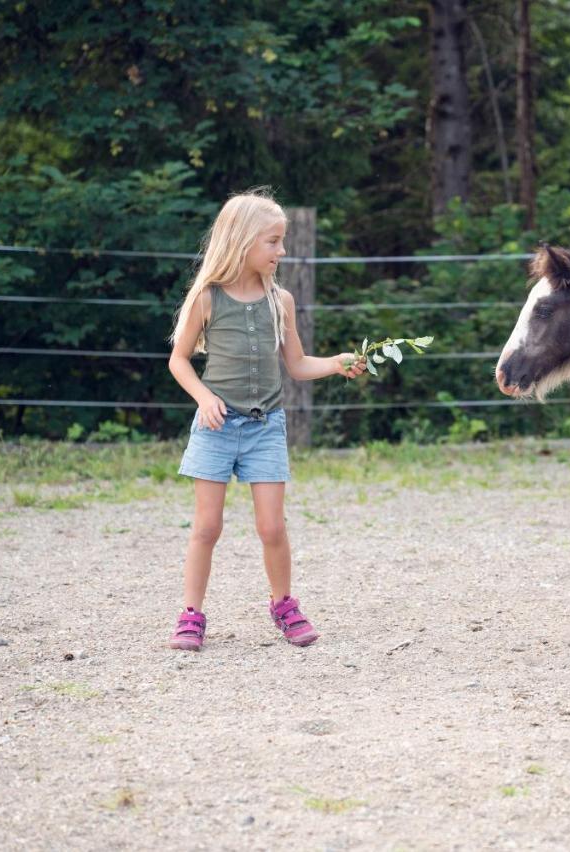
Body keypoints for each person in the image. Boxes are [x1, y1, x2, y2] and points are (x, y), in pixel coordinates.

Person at [165, 188, 365, 651]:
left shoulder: (282, 302)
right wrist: (202, 397)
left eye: (282, 241)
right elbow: (178, 360)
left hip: (264, 428)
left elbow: (296, 365)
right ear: (242, 241)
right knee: (207, 527)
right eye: (273, 242)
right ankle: (191, 615)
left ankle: (284, 605)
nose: (282, 251)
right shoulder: (207, 299)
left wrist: (335, 363)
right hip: (216, 428)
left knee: (272, 527)